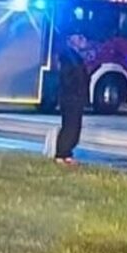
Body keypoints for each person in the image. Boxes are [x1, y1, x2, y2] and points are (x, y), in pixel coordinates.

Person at [54, 32, 91, 165]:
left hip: (76, 97)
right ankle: (61, 154)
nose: (83, 40)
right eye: (79, 37)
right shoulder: (67, 56)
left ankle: (67, 153)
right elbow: (67, 77)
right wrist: (74, 90)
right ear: (70, 40)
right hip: (70, 97)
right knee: (69, 126)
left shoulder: (75, 56)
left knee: (75, 126)